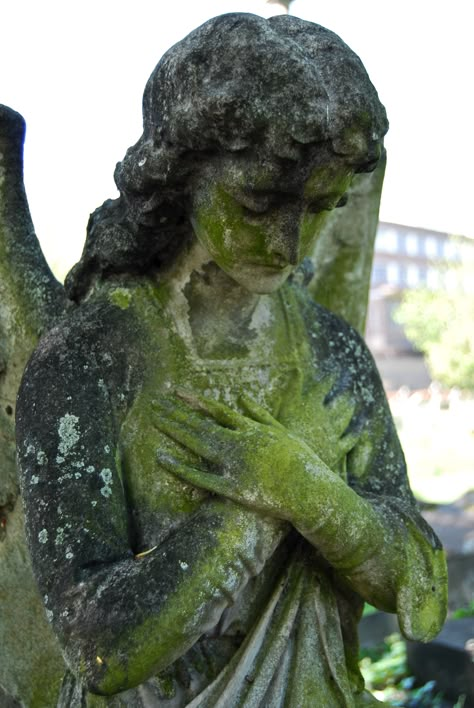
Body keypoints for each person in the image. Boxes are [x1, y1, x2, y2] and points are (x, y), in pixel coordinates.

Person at [16, 13, 447, 707]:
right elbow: (101, 647)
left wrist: (306, 489)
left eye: (322, 207)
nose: (290, 243)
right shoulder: (93, 358)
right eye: (257, 203)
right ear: (178, 173)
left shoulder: (331, 351)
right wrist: (256, 506)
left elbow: (422, 596)